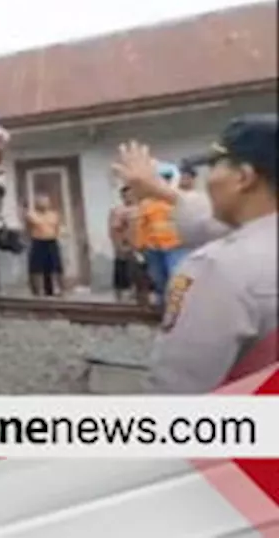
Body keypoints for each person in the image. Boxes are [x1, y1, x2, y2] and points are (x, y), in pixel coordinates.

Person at [113, 114, 278, 393]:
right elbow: (223, 224)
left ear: (243, 177)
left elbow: (178, 389)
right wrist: (160, 190)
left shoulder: (216, 268)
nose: (207, 180)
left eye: (214, 166)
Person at [135, 164, 186, 310]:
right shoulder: (146, 203)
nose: (164, 181)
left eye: (167, 178)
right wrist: (140, 247)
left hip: (175, 246)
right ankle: (164, 307)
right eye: (161, 178)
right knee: (158, 278)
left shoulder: (178, 199)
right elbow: (142, 226)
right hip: (154, 248)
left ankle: (178, 308)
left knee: (176, 277)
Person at [22, 193, 64, 296]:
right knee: (37, 267)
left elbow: (57, 228)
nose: (44, 204)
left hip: (51, 241)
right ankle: (37, 290)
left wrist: (58, 236)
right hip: (38, 241)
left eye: (46, 202)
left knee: (54, 266)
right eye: (41, 202)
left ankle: (55, 289)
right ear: (37, 204)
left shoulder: (54, 215)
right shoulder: (32, 215)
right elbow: (27, 229)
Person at [108, 186, 143, 303]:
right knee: (121, 271)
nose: (129, 197)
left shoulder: (141, 209)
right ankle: (119, 298)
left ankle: (138, 296)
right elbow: (114, 230)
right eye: (126, 195)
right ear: (122, 197)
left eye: (131, 194)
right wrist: (118, 246)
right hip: (124, 245)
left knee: (139, 272)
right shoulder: (117, 211)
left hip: (140, 245)